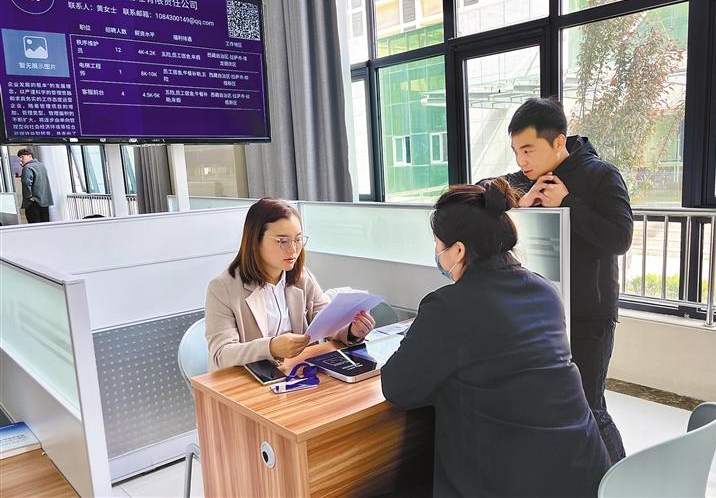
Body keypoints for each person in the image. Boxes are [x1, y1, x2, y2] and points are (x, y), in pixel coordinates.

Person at [380, 178, 611, 498]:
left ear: (458, 250)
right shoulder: (544, 290)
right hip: (582, 475)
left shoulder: (449, 306)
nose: (437, 253)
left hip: (512, 483)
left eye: (438, 244)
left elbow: (397, 387)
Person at [478, 97, 633, 463]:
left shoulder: (601, 175)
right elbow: (481, 192)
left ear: (559, 141)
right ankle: (576, 477)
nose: (522, 161)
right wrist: (519, 202)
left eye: (528, 150)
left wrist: (568, 203)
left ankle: (621, 481)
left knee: (589, 405)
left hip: (589, 314)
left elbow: (620, 237)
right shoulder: (525, 179)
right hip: (542, 313)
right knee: (553, 402)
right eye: (516, 151)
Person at [205, 198, 376, 371]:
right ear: (255, 241)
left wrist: (351, 331)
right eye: (283, 241)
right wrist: (270, 347)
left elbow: (326, 321)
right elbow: (221, 354)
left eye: (298, 239)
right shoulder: (222, 288)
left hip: (298, 372)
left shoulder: (302, 277)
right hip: (249, 379)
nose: (293, 250)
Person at [17, 149, 53, 223]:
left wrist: (29, 197)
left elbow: (26, 183)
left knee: (34, 225)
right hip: (44, 201)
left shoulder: (27, 167)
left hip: (33, 202)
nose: (20, 159)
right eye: (19, 157)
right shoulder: (41, 165)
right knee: (45, 224)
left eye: (22, 157)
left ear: (30, 156)